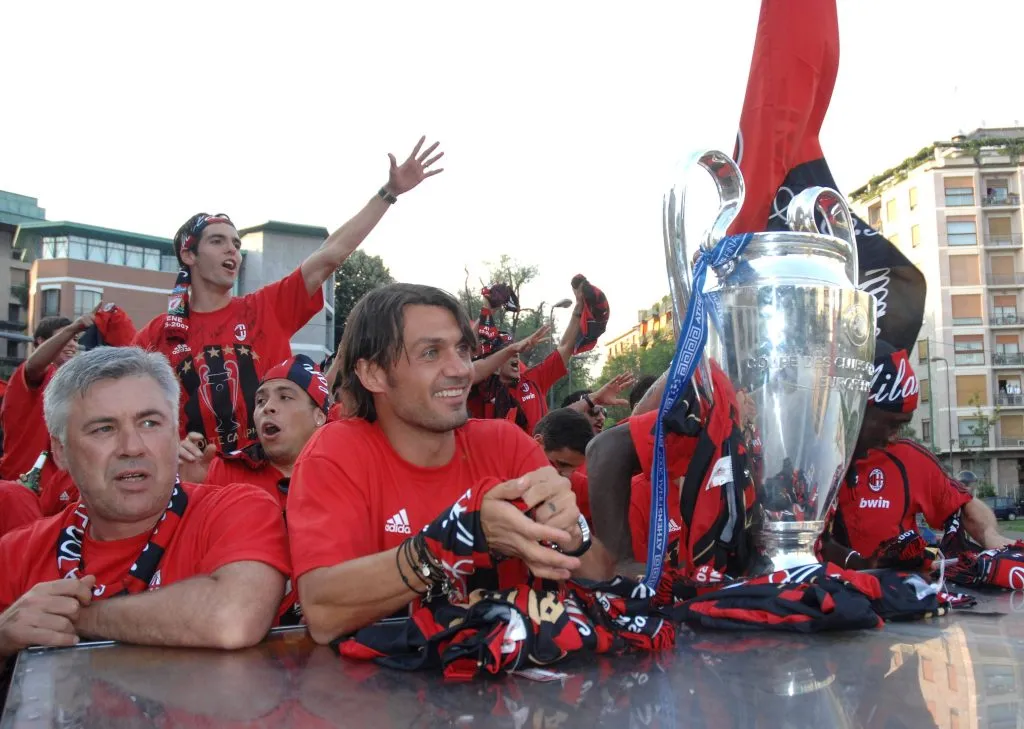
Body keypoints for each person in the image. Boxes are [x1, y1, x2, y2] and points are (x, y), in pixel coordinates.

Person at [287, 283, 611, 643]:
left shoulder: (506, 443)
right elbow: (322, 612)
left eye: (461, 349)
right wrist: (453, 542)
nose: (461, 369)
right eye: (430, 353)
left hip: (514, 688)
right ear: (373, 374)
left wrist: (572, 532)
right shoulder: (335, 453)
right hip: (383, 694)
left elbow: (599, 575)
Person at [133, 137, 444, 463]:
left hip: (278, 480)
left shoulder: (264, 308)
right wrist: (168, 447)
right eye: (217, 241)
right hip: (198, 489)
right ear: (188, 253)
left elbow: (330, 255)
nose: (232, 251)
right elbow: (129, 410)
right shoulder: (155, 337)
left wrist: (388, 193)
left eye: (237, 244)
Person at [0, 347, 291, 657]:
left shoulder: (236, 510)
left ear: (175, 433)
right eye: (104, 429)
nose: (132, 447)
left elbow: (233, 617)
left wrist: (75, 617)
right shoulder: (16, 554)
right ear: (60, 452)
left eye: (150, 423)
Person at [820, 342, 1013, 569]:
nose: (894, 437)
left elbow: (964, 505)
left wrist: (990, 536)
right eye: (891, 424)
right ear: (857, 408)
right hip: (816, 597)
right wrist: (862, 565)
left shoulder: (909, 458)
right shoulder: (811, 459)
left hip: (898, 598)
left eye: (902, 426)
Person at [179, 354, 330, 510]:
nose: (267, 407)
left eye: (285, 397)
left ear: (318, 416)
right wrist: (190, 491)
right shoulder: (222, 472)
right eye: (260, 401)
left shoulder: (345, 472)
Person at [0, 314, 92, 514]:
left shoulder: (74, 385)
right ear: (41, 342)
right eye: (64, 338)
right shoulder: (27, 378)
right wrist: (73, 328)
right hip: (23, 489)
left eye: (75, 340)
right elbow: (34, 367)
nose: (71, 345)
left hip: (60, 493)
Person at [533, 407, 595, 520]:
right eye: (561, 464)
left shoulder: (584, 489)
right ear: (537, 444)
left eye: (575, 468)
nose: (567, 477)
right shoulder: (502, 479)